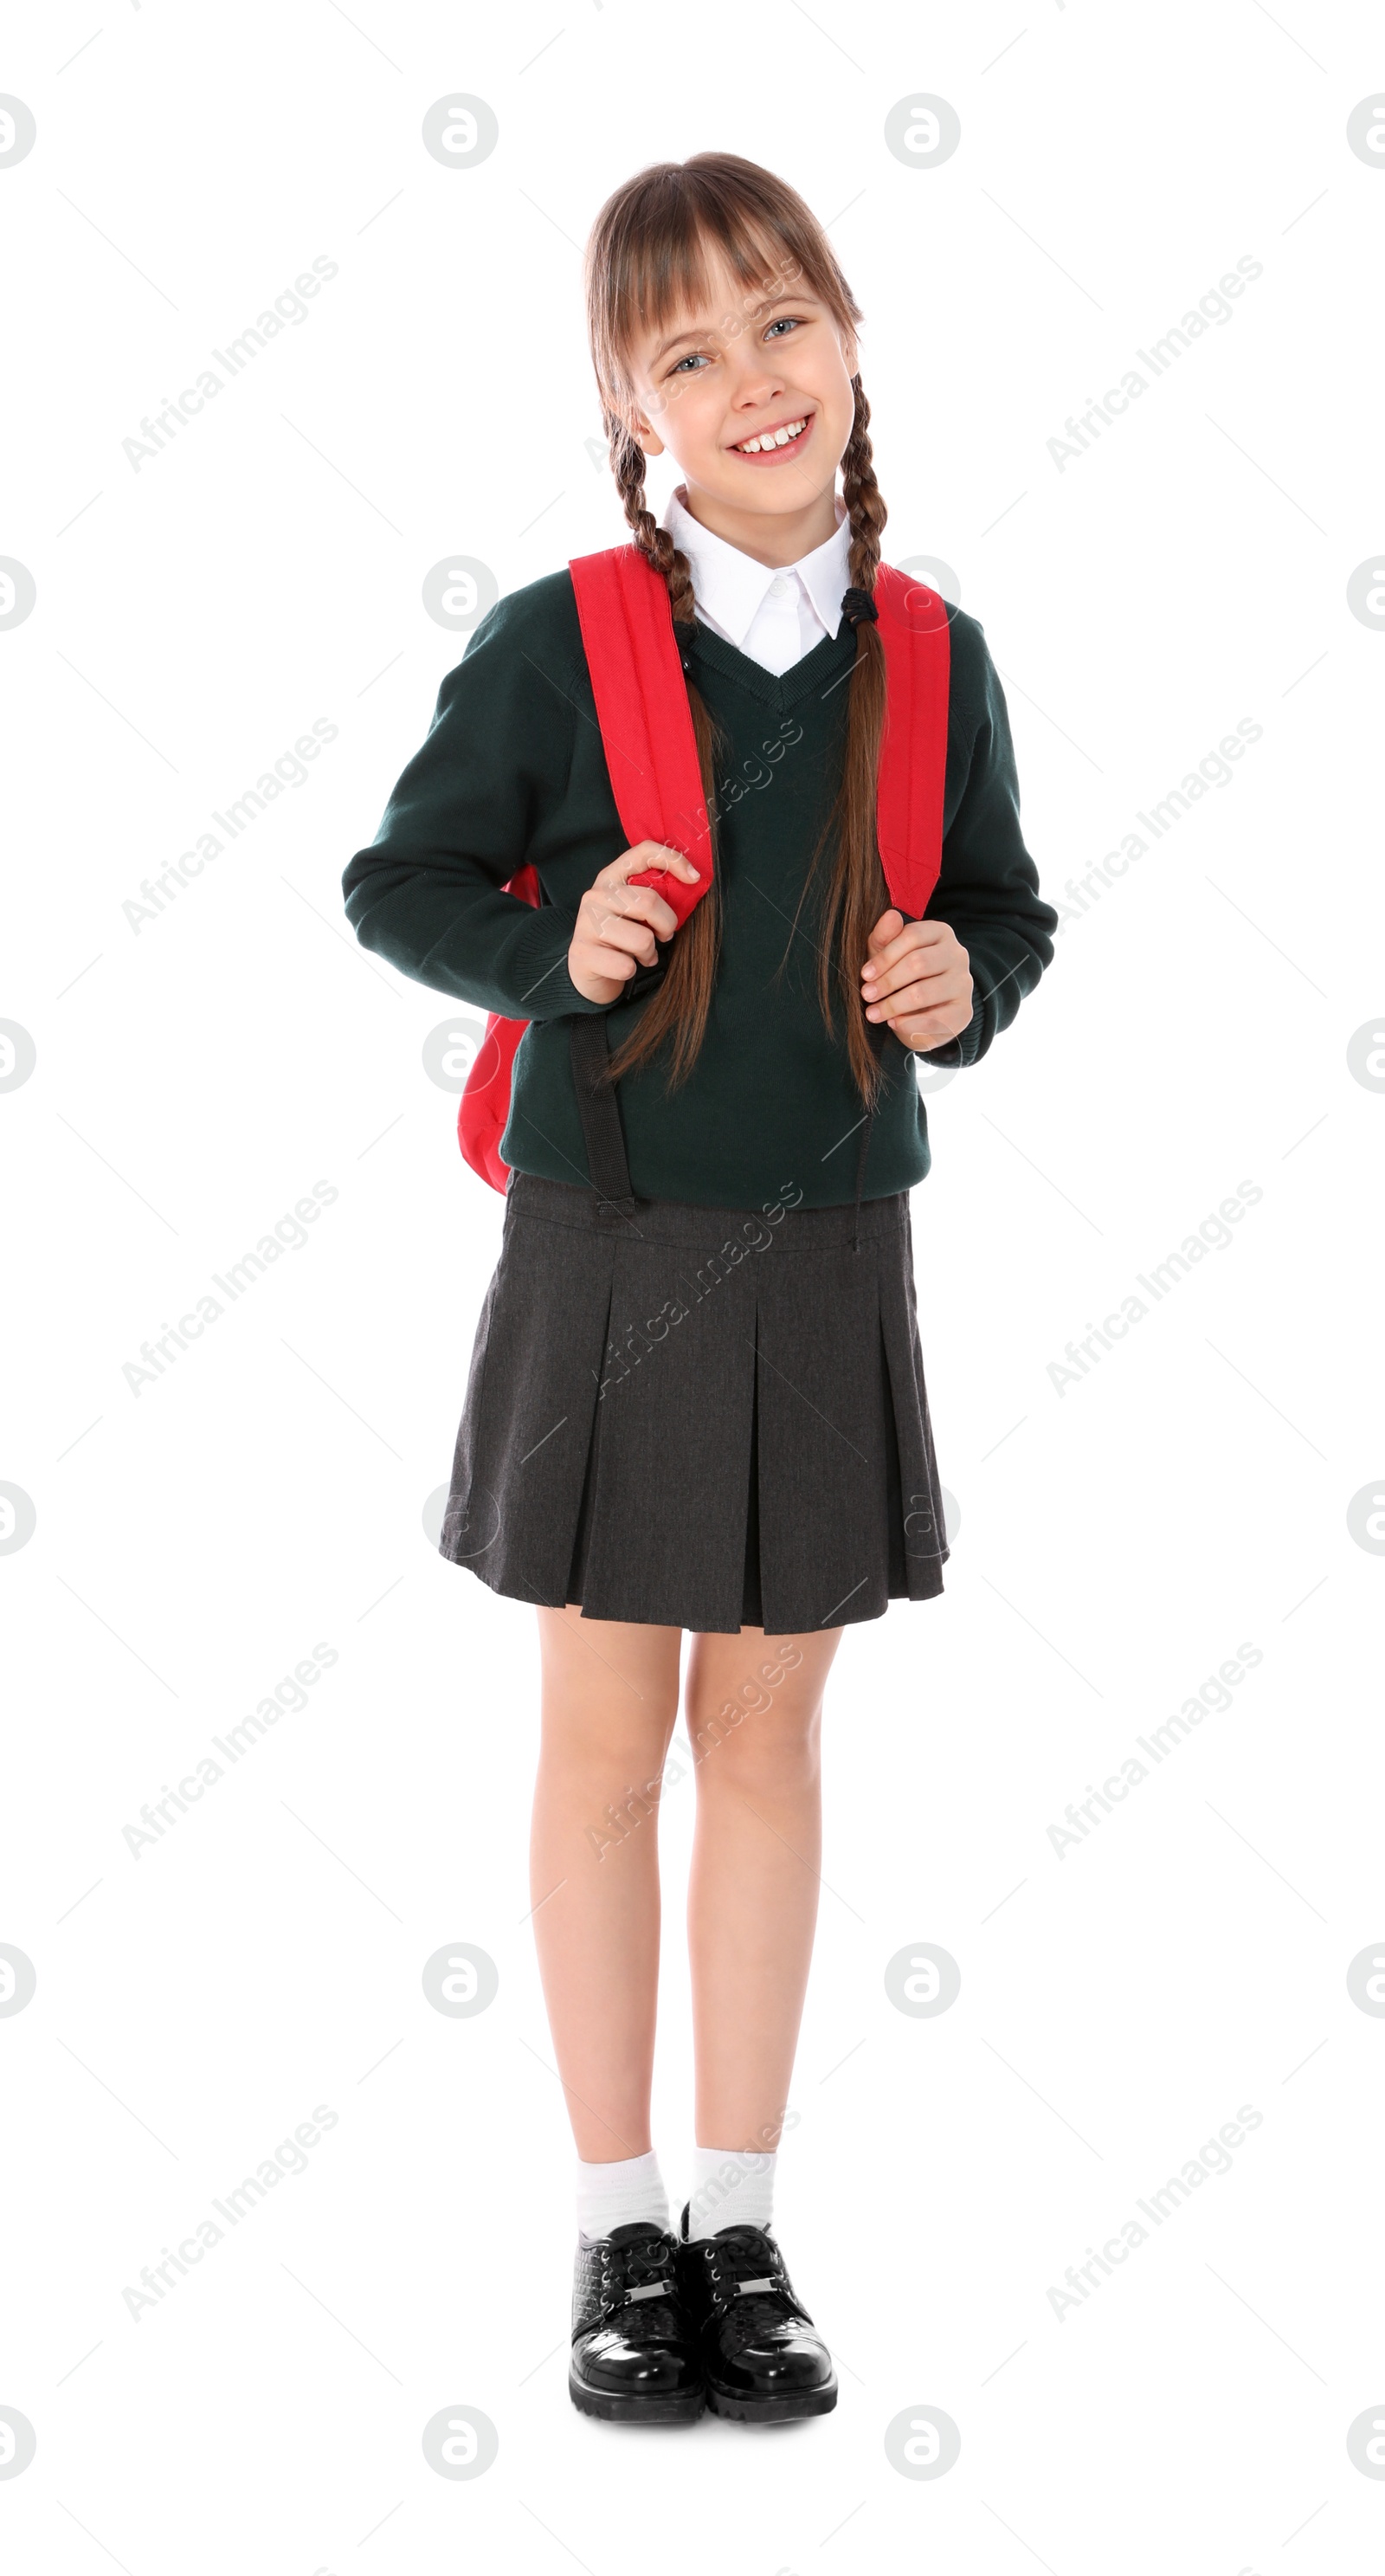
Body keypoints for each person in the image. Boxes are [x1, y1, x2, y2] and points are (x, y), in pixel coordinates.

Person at [343, 151, 1058, 2426]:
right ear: (628, 409)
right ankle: (606, 2229)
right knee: (599, 1746)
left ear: (849, 332)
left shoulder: (937, 655)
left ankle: (741, 2220)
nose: (753, 379)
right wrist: (547, 949)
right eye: (688, 352)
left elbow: (1009, 911)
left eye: (782, 321)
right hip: (609, 1236)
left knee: (768, 1737)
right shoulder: (562, 640)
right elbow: (402, 876)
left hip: (835, 1239)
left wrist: (970, 977)